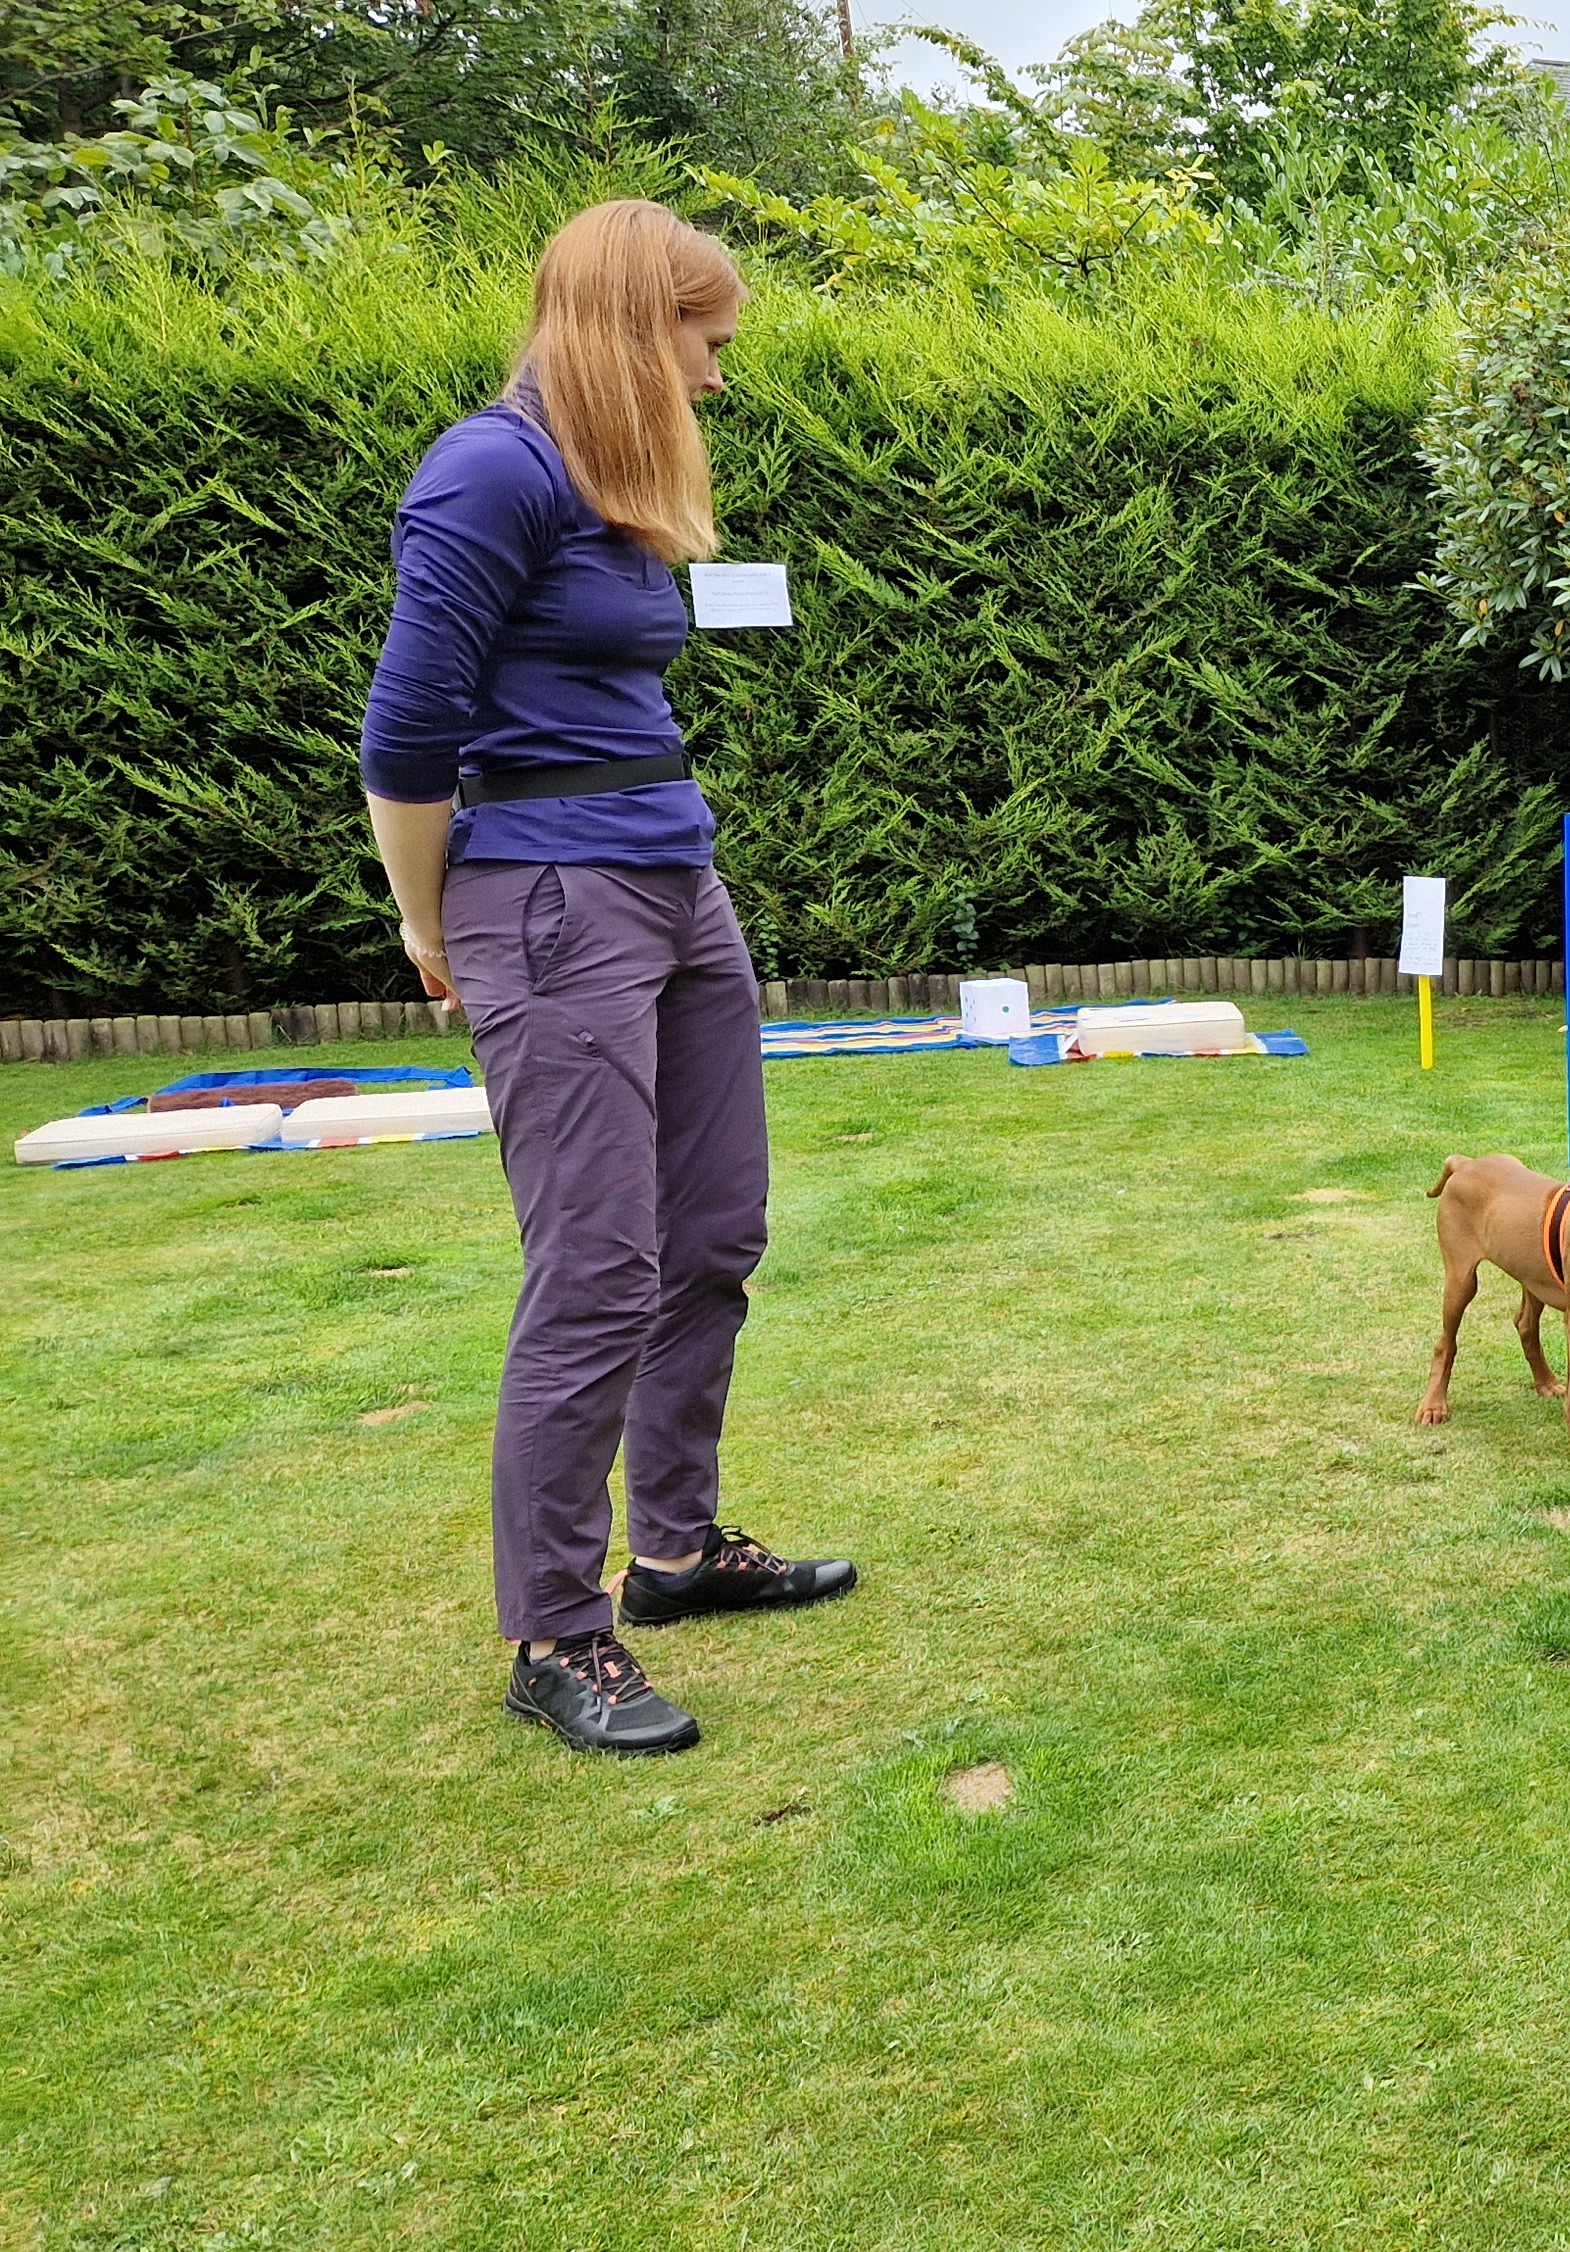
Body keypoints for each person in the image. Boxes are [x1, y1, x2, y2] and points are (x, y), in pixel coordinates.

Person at [359, 200, 855, 1759]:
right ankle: (553, 1633)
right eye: (706, 344)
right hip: (547, 899)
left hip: (672, 878)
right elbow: (407, 729)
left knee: (712, 1232)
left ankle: (678, 1554)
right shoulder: (488, 471)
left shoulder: (608, 481)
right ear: (636, 331)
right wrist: (427, 922)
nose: (718, 377)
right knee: (593, 1270)